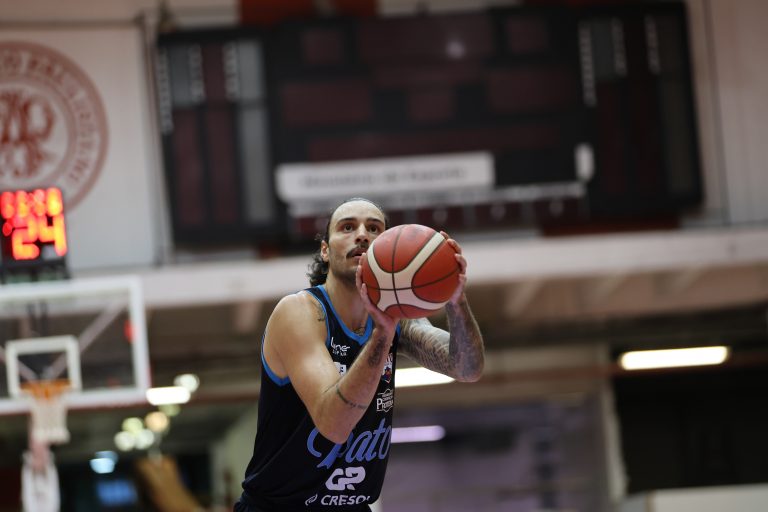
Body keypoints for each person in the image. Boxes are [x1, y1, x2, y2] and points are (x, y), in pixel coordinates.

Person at [235, 198, 484, 512]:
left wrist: (456, 299)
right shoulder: (300, 312)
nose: (363, 235)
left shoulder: (395, 318)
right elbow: (334, 425)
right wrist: (382, 334)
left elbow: (467, 368)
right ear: (325, 250)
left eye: (374, 228)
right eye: (348, 227)